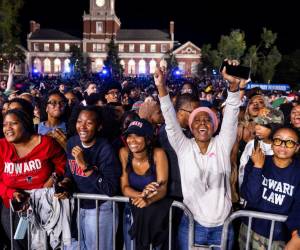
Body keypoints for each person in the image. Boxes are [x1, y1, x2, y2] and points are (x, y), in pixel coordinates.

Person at [154, 61, 247, 249]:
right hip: (191, 225)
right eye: (197, 120)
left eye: (207, 120)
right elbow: (170, 121)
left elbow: (231, 115)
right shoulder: (183, 147)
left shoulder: (222, 144)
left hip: (223, 226)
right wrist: (161, 87)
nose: (202, 123)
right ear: (190, 126)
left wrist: (234, 86)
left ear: (214, 126)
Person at [56, 106, 121, 250]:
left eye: (89, 123)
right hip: (79, 207)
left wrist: (85, 165)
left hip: (101, 208)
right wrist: (66, 183)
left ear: (99, 127)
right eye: (79, 121)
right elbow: (70, 171)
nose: (82, 127)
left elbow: (111, 189)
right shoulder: (73, 142)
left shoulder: (105, 149)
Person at [0, 109, 66, 250]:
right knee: (18, 246)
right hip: (14, 209)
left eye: (14, 123)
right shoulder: (1, 147)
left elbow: (63, 165)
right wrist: (12, 194)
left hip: (45, 208)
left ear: (25, 124)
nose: (8, 128)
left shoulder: (46, 143)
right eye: (5, 124)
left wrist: (54, 177)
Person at [240, 127, 300, 249]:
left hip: (279, 237)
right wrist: (258, 167)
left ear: (297, 147)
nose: (283, 146)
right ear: (272, 144)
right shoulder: (257, 161)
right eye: (278, 140)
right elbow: (251, 197)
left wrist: (296, 236)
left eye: (289, 142)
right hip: (250, 229)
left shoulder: (298, 172)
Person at [119, 118, 169, 249]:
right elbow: (124, 188)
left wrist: (149, 199)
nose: (132, 140)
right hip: (131, 210)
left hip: (154, 213)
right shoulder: (124, 153)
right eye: (129, 136)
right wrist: (142, 195)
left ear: (148, 139)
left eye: (138, 136)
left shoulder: (158, 154)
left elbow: (163, 187)